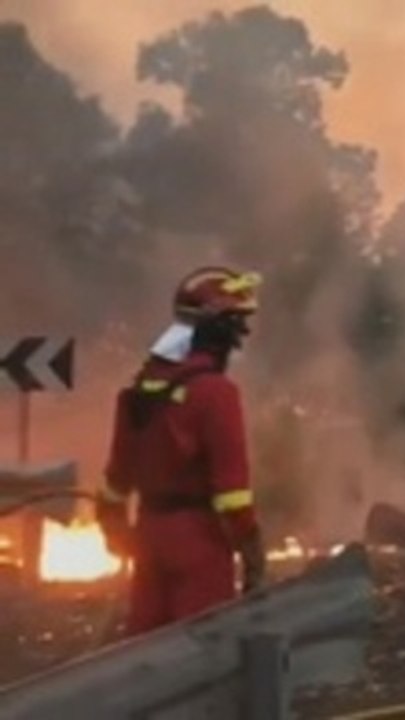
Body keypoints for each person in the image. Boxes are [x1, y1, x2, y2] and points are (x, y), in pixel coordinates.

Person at [96, 265, 267, 636]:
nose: (241, 336)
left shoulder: (140, 390)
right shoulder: (216, 393)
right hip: (199, 542)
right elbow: (232, 495)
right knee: (201, 652)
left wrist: (115, 529)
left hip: (148, 536)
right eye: (236, 324)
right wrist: (252, 551)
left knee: (145, 652)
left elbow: (115, 483)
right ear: (217, 330)